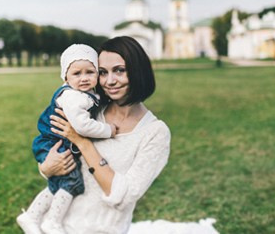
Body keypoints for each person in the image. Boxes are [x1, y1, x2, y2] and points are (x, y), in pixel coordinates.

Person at [29, 36, 171, 233]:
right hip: (53, 225)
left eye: (119, 70)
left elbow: (122, 196)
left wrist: (82, 142)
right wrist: (46, 168)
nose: (110, 81)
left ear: (138, 71)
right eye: (103, 72)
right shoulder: (88, 111)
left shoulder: (155, 133)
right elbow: (55, 158)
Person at [18, 44, 117, 234]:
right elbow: (82, 126)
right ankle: (52, 222)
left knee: (58, 183)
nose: (84, 78)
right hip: (54, 144)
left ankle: (31, 215)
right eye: (77, 73)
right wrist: (108, 130)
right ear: (66, 77)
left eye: (90, 72)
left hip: (52, 143)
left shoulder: (81, 93)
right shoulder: (74, 97)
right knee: (71, 183)